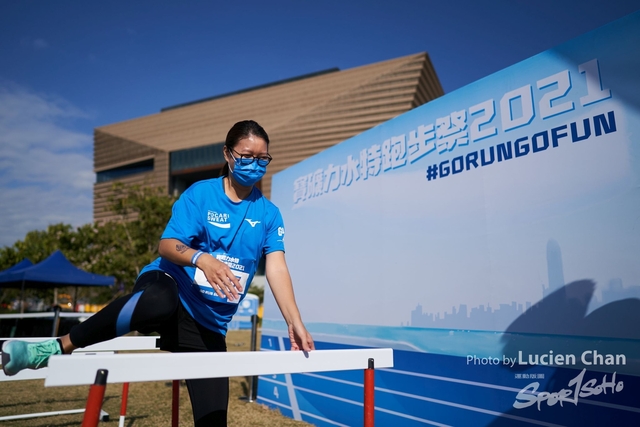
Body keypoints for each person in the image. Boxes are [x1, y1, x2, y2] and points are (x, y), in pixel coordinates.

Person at [1, 119, 315, 426]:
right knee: (159, 301)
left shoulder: (269, 214)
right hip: (169, 285)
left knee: (214, 420)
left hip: (209, 323)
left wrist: (294, 321)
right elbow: (167, 245)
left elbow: (276, 267)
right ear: (227, 153)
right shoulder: (200, 195)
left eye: (262, 158)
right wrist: (202, 259)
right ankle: (54, 348)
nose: (254, 164)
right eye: (246, 156)